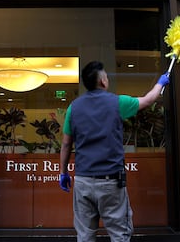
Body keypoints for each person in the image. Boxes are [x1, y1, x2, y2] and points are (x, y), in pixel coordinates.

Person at [59, 60, 170, 242]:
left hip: (82, 181)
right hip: (111, 182)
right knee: (120, 235)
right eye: (106, 76)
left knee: (85, 236)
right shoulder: (117, 103)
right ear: (103, 81)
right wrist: (161, 82)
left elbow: (65, 145)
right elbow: (149, 100)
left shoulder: (74, 107)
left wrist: (63, 173)